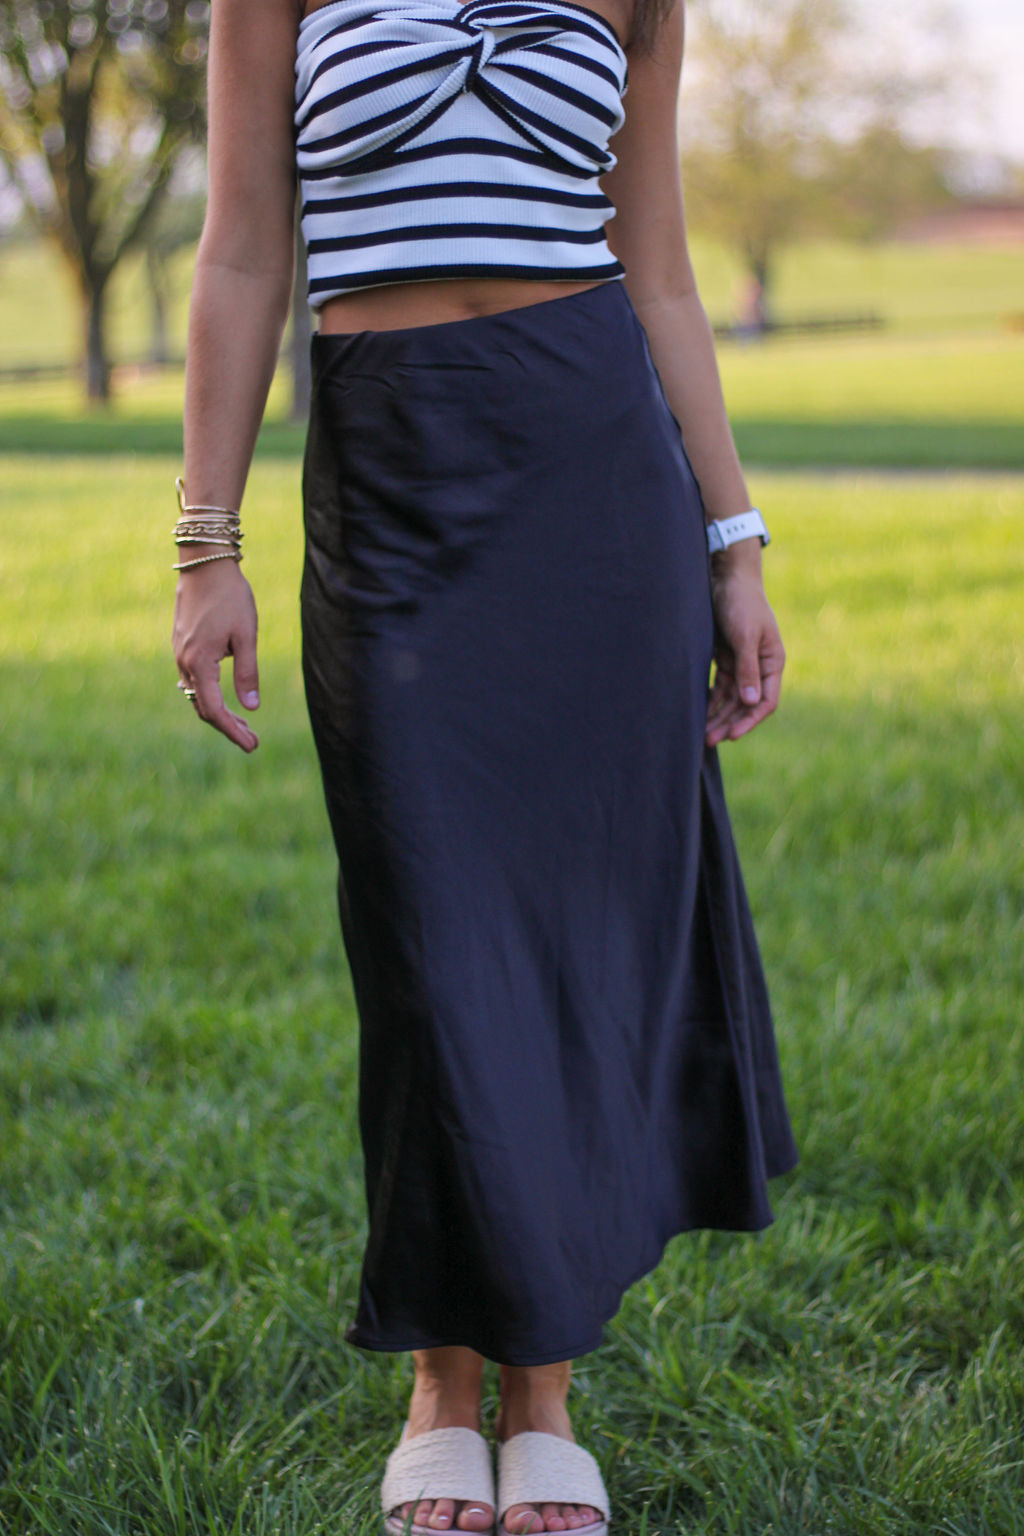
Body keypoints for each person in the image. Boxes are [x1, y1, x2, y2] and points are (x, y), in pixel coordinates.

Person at [172, 0, 799, 1531]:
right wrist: (205, 542)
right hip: (392, 480)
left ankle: (543, 1398)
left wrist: (734, 543)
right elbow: (243, 251)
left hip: (595, 471)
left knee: (575, 941)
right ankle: (439, 1389)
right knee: (430, 950)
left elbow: (658, 270)